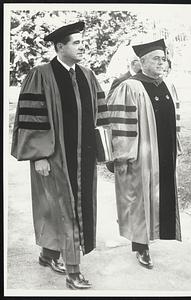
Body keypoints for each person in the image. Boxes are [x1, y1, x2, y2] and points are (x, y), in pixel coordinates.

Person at [11, 21, 108, 289]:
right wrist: (38, 155)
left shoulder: (88, 74)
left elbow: (100, 115)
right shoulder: (40, 74)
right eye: (76, 42)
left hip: (84, 157)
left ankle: (48, 254)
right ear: (59, 46)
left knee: (69, 209)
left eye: (82, 41)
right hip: (54, 156)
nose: (82, 45)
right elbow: (31, 118)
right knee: (63, 210)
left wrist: (105, 150)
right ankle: (73, 272)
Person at [107, 39, 182, 269]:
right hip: (140, 155)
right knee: (139, 198)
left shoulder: (168, 85)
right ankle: (140, 247)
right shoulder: (130, 87)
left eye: (163, 58)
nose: (162, 62)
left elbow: (174, 120)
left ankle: (157, 234)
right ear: (141, 62)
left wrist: (174, 145)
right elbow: (119, 125)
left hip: (164, 153)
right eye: (156, 58)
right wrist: (122, 155)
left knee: (159, 197)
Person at [106, 50, 141, 173]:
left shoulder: (143, 80)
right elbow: (110, 104)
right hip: (124, 126)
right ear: (134, 63)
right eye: (141, 61)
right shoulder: (121, 80)